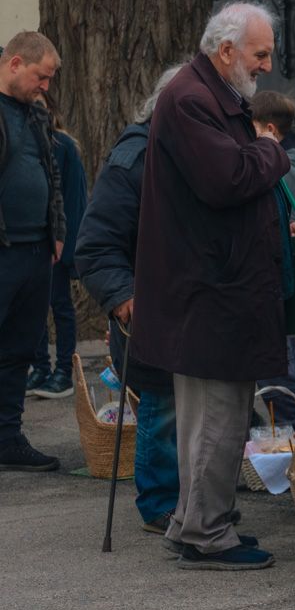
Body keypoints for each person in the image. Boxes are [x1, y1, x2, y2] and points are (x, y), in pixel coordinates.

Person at [130, 2, 290, 571]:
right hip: (209, 291)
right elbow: (230, 178)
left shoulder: (202, 95)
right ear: (226, 52)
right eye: (260, 54)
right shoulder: (193, 99)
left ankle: (195, 522)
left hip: (212, 288)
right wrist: (270, 148)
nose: (267, 65)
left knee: (212, 419)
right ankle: (205, 533)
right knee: (214, 420)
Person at [76, 64, 186, 534]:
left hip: (189, 305)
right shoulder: (135, 158)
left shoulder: (190, 151)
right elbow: (96, 244)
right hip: (149, 311)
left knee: (188, 409)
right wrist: (123, 297)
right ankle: (160, 503)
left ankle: (193, 500)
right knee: (161, 406)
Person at [0, 32, 65, 472]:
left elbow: (52, 173)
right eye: (41, 77)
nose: (45, 86)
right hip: (4, 250)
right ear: (15, 63)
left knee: (20, 349)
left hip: (36, 251)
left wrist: (56, 229)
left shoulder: (36, 114)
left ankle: (8, 439)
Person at [250, 90, 295, 430]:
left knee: (281, 367)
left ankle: (291, 436)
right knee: (284, 361)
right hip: (282, 278)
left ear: (269, 129)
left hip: (278, 278)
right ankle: (291, 431)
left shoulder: (282, 166)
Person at [26, 93, 87, 399]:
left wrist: (66, 246)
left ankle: (64, 371)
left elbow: (74, 199)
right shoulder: (23, 144)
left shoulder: (64, 146)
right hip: (30, 242)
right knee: (33, 308)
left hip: (57, 244)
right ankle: (39, 367)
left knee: (60, 305)